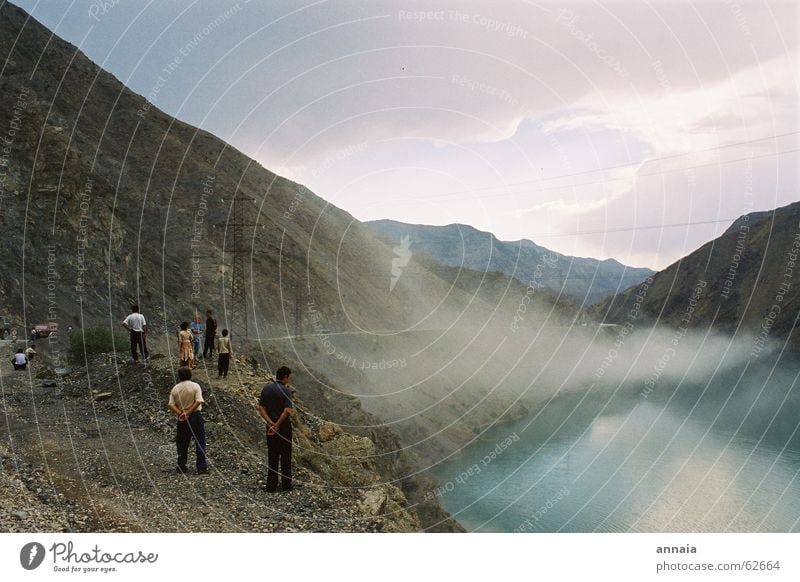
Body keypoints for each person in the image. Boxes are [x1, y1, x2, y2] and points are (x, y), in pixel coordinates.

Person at [258, 366, 294, 492]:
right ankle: (286, 485)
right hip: (284, 428)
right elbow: (287, 410)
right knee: (285, 456)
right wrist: (278, 424)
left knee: (272, 456)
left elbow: (261, 408)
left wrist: (271, 423)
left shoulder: (266, 389)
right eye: (288, 377)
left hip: (270, 428)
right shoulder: (286, 391)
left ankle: (271, 485)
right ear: (285, 377)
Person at [168, 366, 208, 475]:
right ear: (190, 375)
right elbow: (199, 401)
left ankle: (181, 466)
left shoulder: (175, 388)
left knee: (182, 443)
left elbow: (171, 405)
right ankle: (201, 467)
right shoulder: (195, 386)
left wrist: (181, 413)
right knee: (200, 441)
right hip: (195, 416)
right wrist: (189, 412)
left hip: (182, 419)